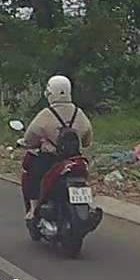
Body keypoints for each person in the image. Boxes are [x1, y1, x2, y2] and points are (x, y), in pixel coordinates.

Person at [20, 75, 93, 220]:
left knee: (33, 171)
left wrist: (26, 142)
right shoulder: (78, 113)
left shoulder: (46, 114)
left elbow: (30, 137)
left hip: (51, 160)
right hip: (75, 160)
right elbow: (87, 139)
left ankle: (34, 209)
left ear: (50, 93)